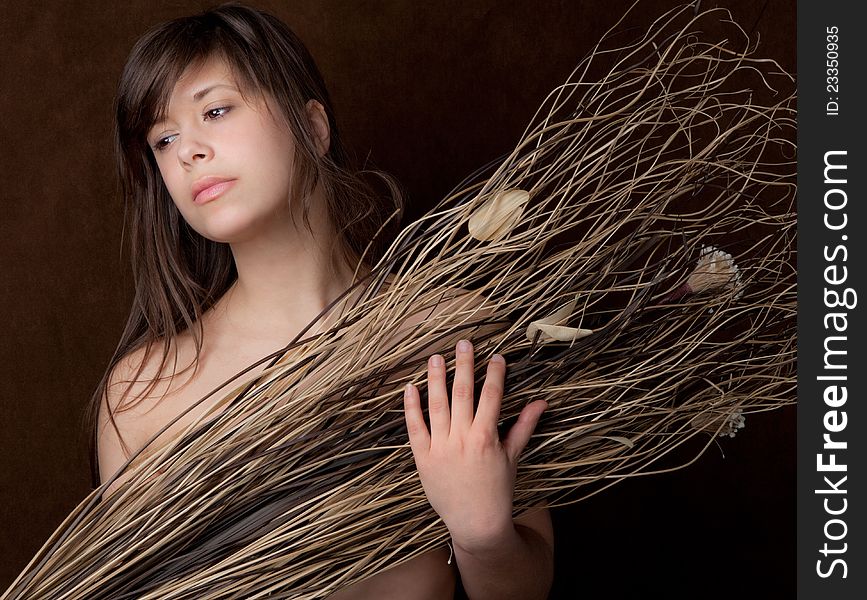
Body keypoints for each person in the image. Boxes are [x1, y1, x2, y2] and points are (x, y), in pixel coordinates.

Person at [85, 2, 554, 598]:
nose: (186, 151)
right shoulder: (144, 398)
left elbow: (526, 587)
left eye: (216, 109)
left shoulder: (450, 334)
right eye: (163, 138)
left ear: (312, 127)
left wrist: (483, 535)